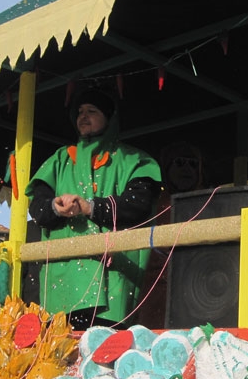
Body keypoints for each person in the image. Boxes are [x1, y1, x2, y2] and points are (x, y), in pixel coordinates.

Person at [25, 87, 163, 330]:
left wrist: (91, 208)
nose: (83, 116)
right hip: (62, 284)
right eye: (80, 112)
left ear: (109, 119)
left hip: (113, 281)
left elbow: (138, 206)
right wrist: (55, 208)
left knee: (106, 355)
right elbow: (37, 208)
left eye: (92, 111)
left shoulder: (133, 160)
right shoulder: (58, 161)